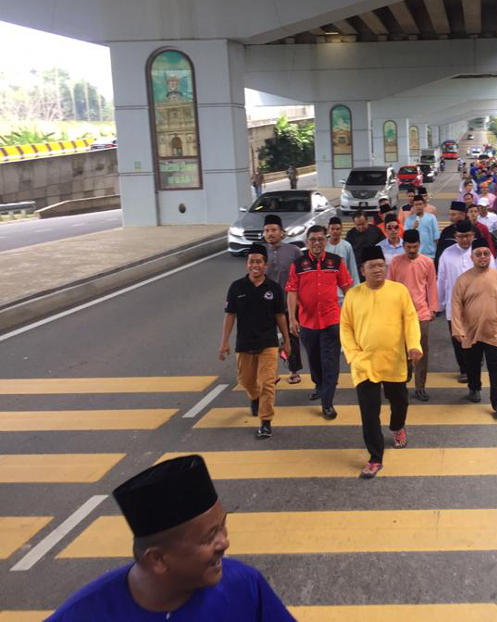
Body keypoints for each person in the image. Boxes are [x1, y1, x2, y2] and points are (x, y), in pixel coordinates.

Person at [48, 455, 294, 620]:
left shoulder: (243, 584)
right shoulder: (82, 614)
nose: (224, 542)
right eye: (209, 537)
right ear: (157, 559)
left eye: (222, 527)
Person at [340, 245, 423, 479]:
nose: (378, 270)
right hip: (364, 364)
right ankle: (375, 457)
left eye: (380, 265)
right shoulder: (353, 295)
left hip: (394, 359)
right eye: (372, 266)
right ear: (362, 270)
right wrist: (353, 355)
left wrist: (414, 345)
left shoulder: (399, 291)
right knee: (369, 413)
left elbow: (410, 319)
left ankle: (397, 426)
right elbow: (345, 327)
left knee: (399, 402)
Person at [219, 244, 291, 439]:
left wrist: (287, 341)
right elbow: (230, 315)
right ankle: (255, 397)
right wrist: (224, 342)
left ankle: (265, 422)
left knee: (267, 383)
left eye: (259, 262)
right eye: (251, 261)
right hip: (244, 343)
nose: (255, 265)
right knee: (246, 381)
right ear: (247, 264)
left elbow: (280, 316)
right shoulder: (236, 287)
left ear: (265, 265)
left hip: (268, 343)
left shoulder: (274, 289)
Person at [285, 225, 353, 419]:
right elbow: (292, 291)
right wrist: (292, 319)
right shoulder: (298, 264)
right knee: (314, 359)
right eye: (313, 239)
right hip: (307, 322)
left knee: (330, 362)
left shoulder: (335, 262)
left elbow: (347, 288)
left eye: (321, 239)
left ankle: (327, 403)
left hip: (332, 320)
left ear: (326, 240)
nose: (317, 243)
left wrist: (352, 314)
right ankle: (319, 384)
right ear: (307, 242)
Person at [451, 237, 497, 418]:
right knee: (472, 364)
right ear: (472, 257)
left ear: (490, 256)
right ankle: (474, 387)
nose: (483, 257)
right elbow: (456, 306)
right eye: (478, 254)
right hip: (471, 331)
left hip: (495, 331)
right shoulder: (463, 280)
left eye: (486, 253)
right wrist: (457, 329)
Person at [437, 220, 494, 383]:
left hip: (479, 305)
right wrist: (439, 304)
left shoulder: (482, 252)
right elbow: (441, 280)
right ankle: (464, 369)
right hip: (454, 306)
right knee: (458, 339)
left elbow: (493, 276)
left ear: (473, 235)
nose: (464, 240)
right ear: (455, 236)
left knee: (477, 338)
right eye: (461, 236)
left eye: (468, 236)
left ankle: (475, 364)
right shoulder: (447, 254)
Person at [388, 229, 438, 402]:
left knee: (422, 350)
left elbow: (431, 286)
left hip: (421, 313)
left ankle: (420, 386)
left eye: (415, 247)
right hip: (400, 314)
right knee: (400, 350)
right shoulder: (395, 262)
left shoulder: (427, 262)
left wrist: (433, 309)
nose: (411, 250)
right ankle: (402, 378)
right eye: (408, 247)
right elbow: (390, 287)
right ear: (403, 246)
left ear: (419, 245)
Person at [261, 214, 302, 385]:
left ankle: (294, 370)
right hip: (266, 305)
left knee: (291, 338)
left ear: (282, 233)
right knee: (267, 340)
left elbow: (302, 277)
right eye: (267, 230)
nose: (270, 233)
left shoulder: (294, 251)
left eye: (273, 230)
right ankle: (272, 372)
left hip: (288, 304)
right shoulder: (261, 252)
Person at [325, 216, 360, 289]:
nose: (335, 231)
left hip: (344, 285)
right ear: (328, 230)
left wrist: (356, 286)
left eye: (337, 229)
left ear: (341, 230)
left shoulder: (347, 246)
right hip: (328, 285)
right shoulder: (324, 246)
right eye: (332, 229)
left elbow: (352, 268)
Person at [345, 212, 384, 277]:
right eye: (358, 225)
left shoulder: (376, 230)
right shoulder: (350, 234)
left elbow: (384, 246)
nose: (361, 227)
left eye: (363, 224)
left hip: (374, 267)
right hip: (358, 268)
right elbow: (347, 252)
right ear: (354, 224)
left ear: (367, 221)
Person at [434, 200, 469, 267]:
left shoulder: (474, 231)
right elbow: (439, 253)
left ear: (462, 215)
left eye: (453, 215)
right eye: (450, 214)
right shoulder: (446, 231)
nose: (450, 217)